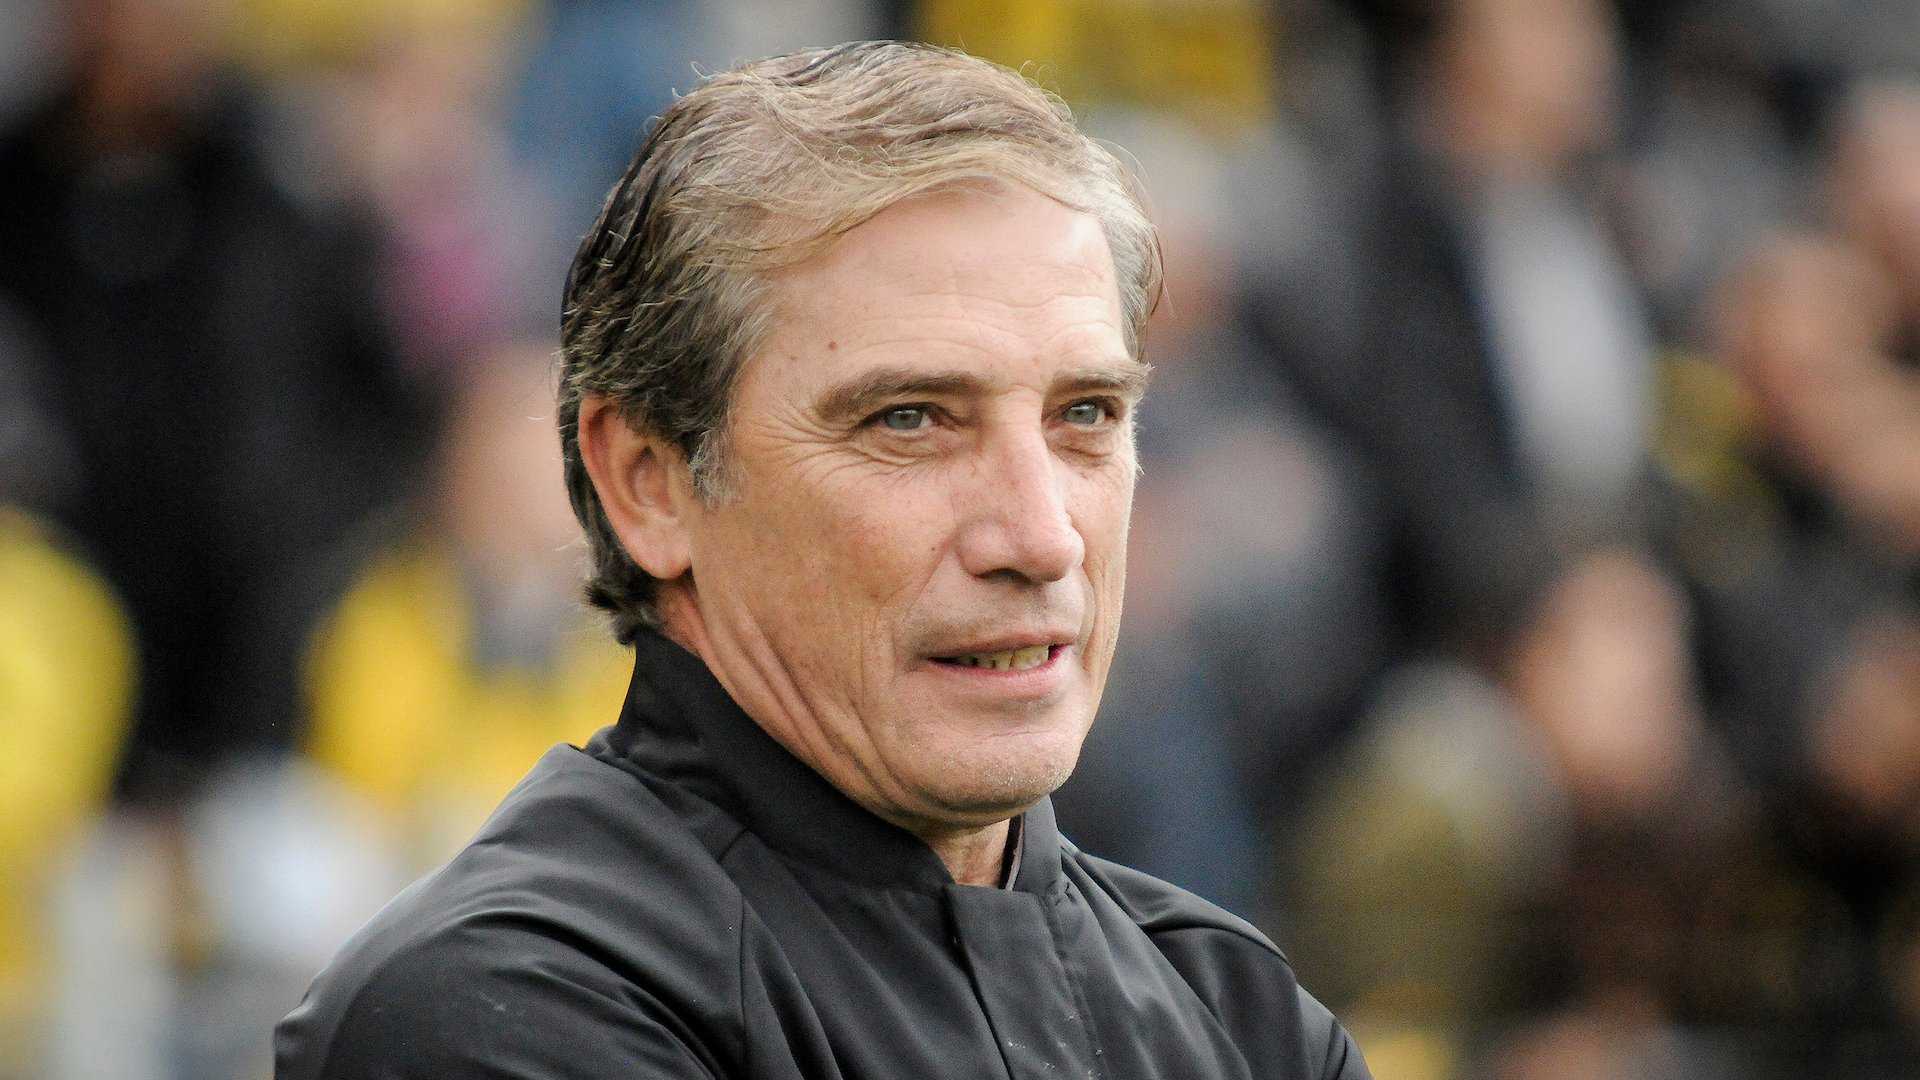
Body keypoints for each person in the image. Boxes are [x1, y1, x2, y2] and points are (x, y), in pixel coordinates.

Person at [276, 41, 1370, 1079]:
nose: (1043, 538)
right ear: (648, 483)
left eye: (1084, 414)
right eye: (909, 420)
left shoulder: (1238, 1012)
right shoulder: (497, 1011)